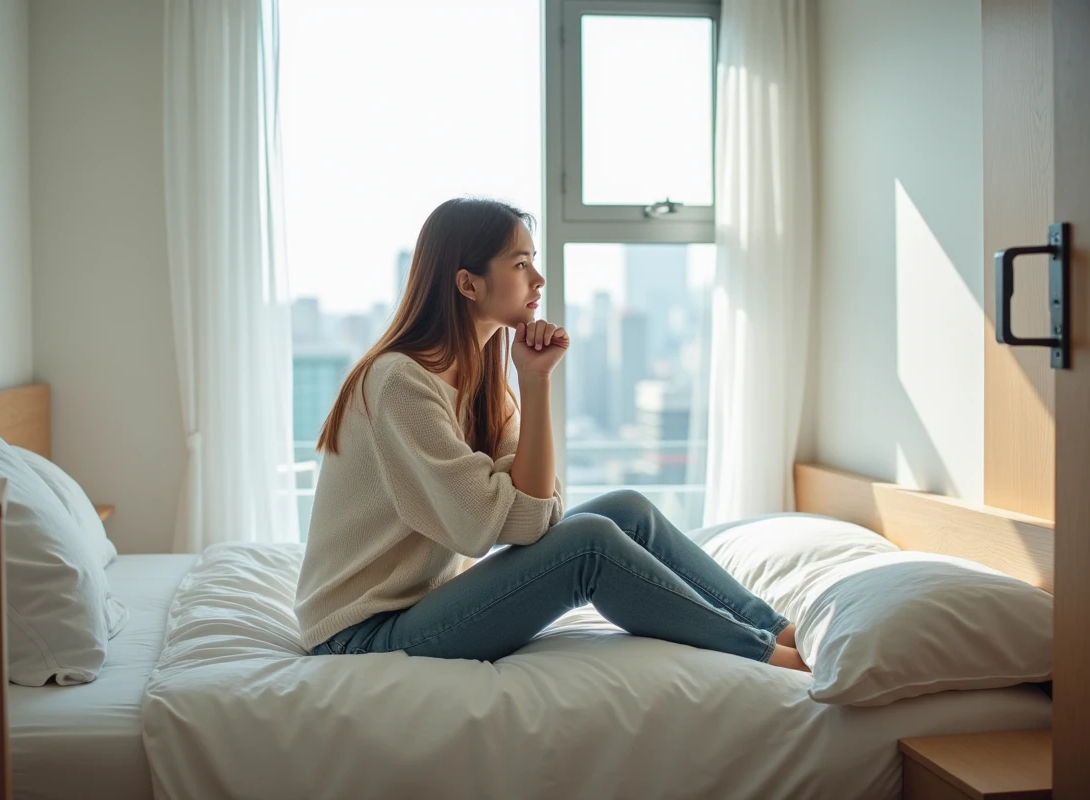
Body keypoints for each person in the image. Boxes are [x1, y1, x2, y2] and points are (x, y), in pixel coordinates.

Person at [294, 197, 809, 671]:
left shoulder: (481, 381)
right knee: (590, 545)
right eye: (520, 264)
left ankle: (779, 629)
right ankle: (768, 657)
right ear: (469, 284)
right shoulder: (399, 382)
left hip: (419, 604)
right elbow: (493, 525)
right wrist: (534, 388)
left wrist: (533, 379)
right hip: (358, 634)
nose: (538, 279)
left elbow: (538, 512)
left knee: (625, 509)